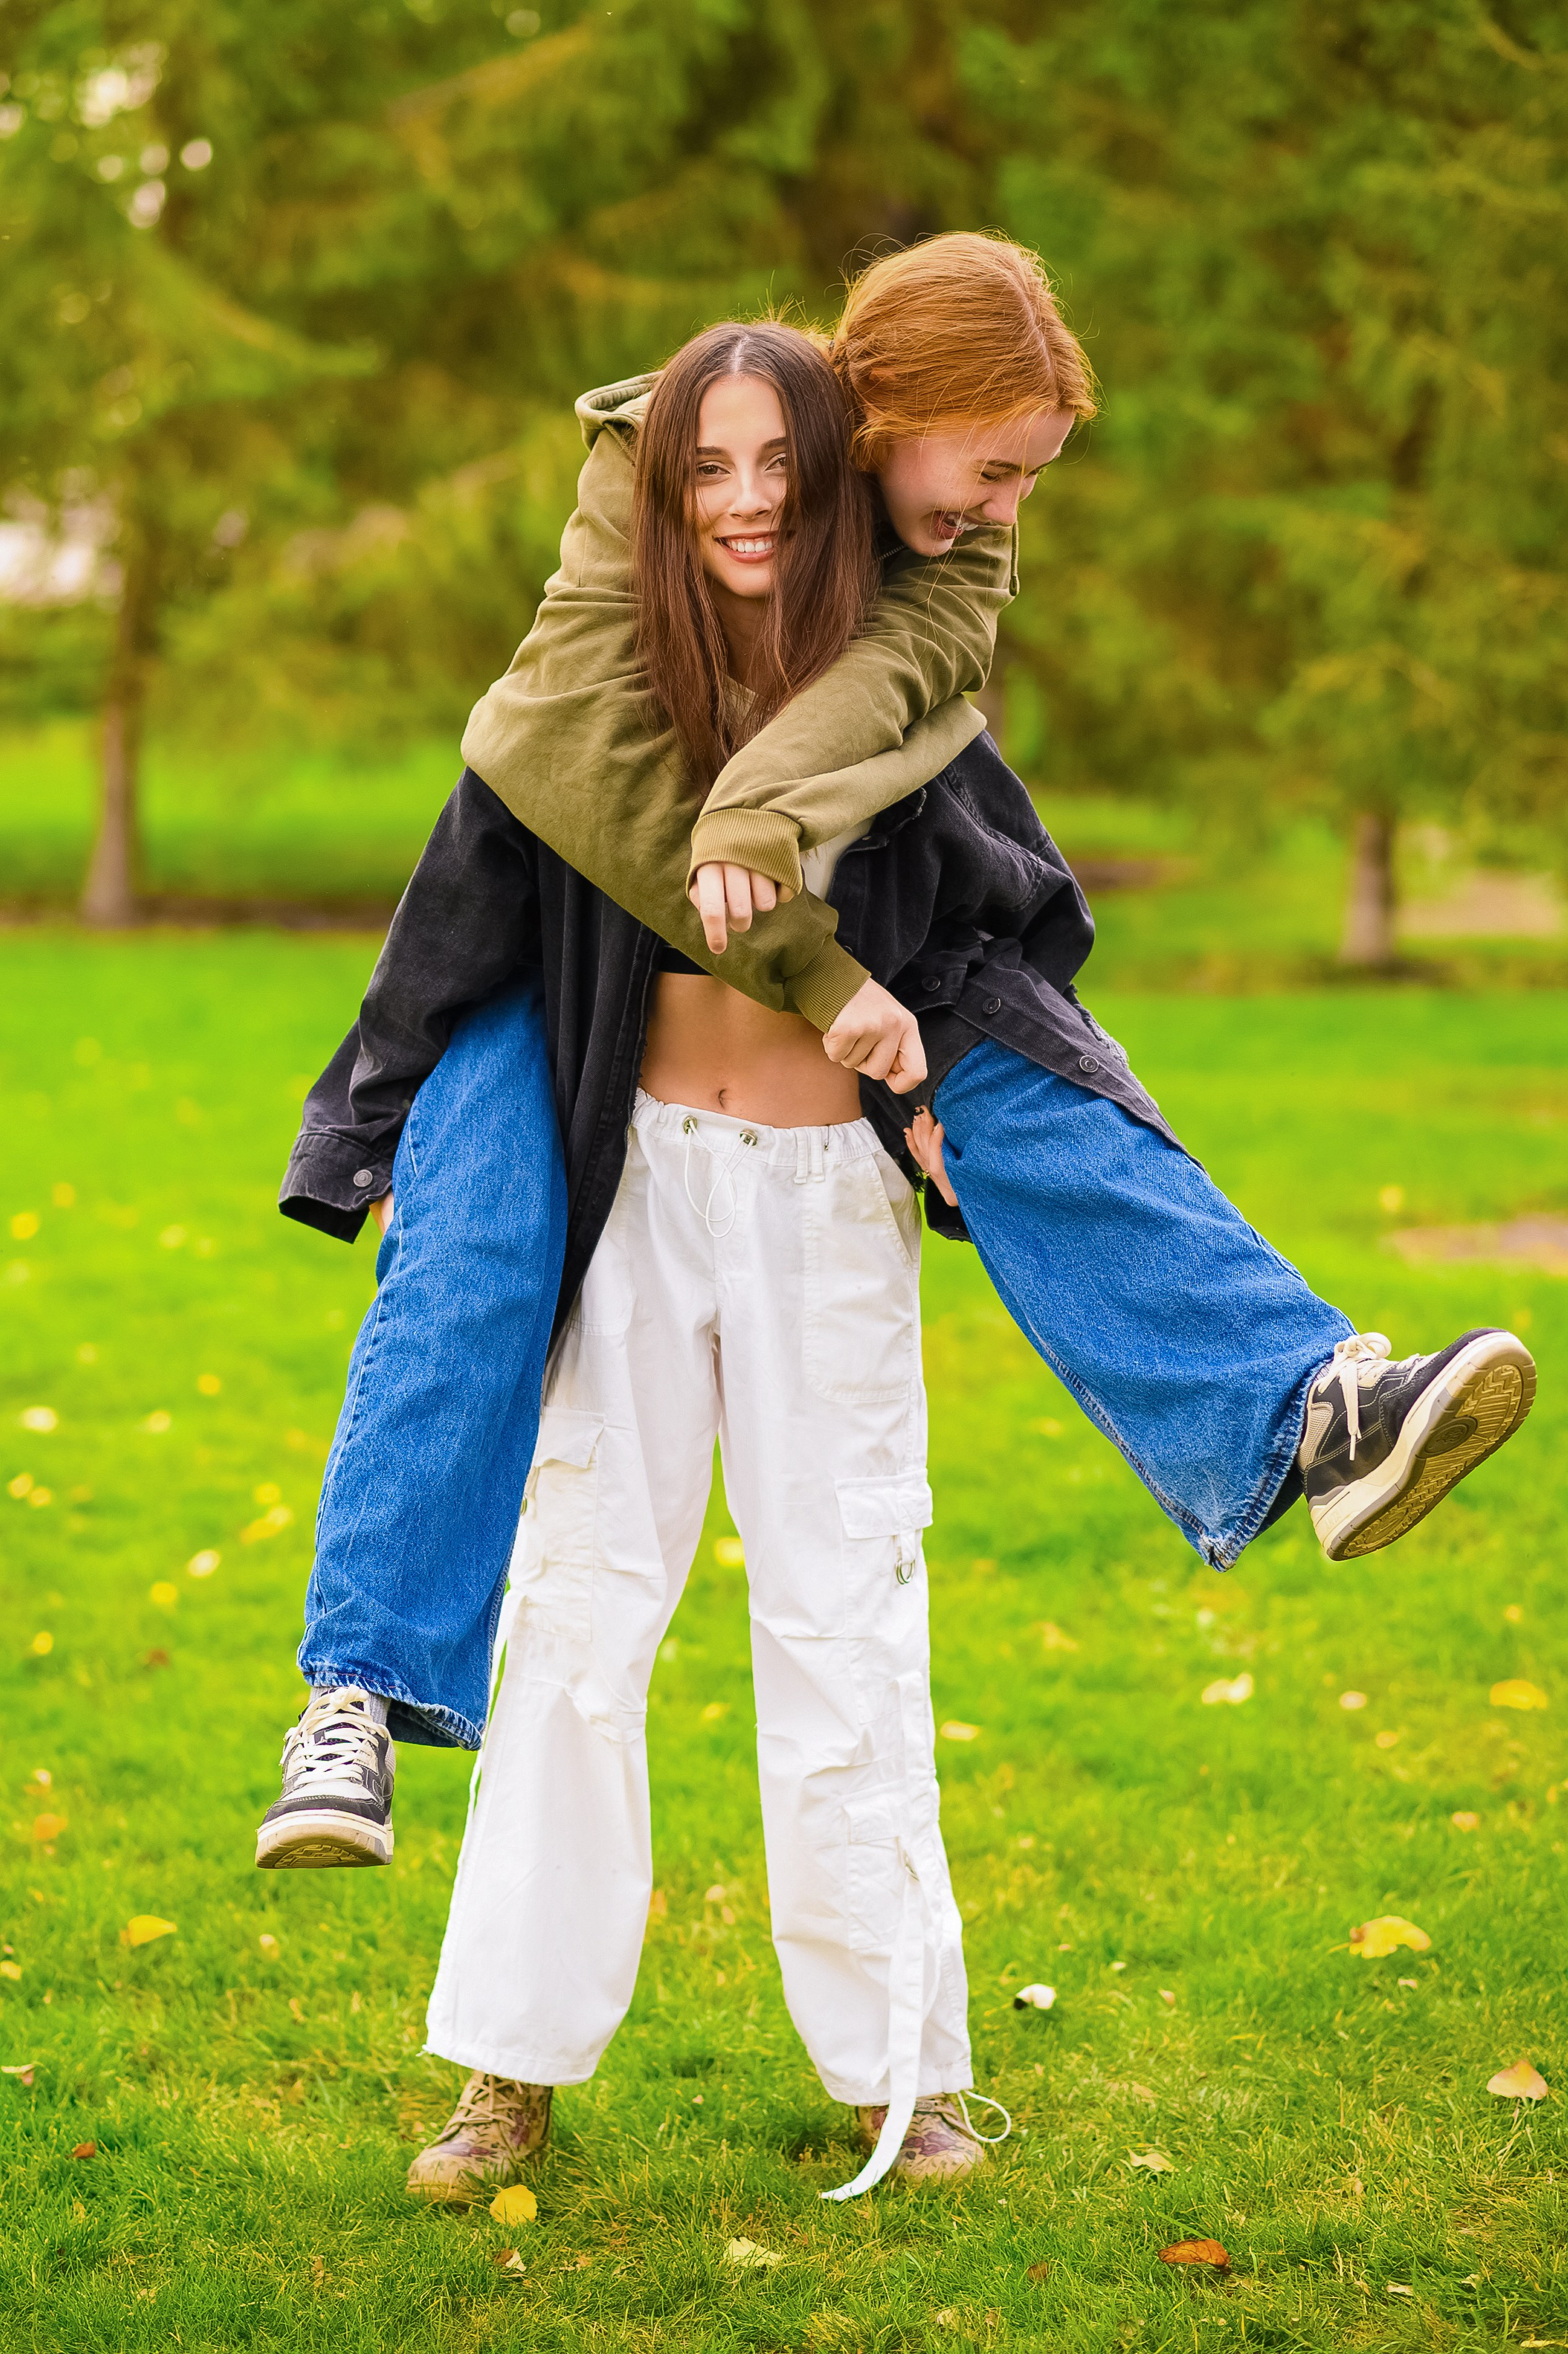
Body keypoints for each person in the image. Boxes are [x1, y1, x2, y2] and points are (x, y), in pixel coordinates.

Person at [261, 234, 1536, 1883]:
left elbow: (900, 679)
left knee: (1034, 1097)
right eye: (994, 463)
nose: (1010, 505)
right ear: (886, 409)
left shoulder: (951, 551)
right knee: (478, 1244)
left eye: (1033, 476)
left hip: (879, 902)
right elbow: (555, 744)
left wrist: (773, 847)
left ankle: (1306, 1407)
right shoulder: (662, 450)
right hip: (556, 937)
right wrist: (803, 963)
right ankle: (354, 1693)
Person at [398, 323, 1007, 2199]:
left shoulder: (894, 664)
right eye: (705, 469)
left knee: (847, 1619)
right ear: (663, 488)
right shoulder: (615, 654)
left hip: (828, 1195)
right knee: (578, 1612)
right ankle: (505, 2069)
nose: (744, 501)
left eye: (776, 467)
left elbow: (987, 911)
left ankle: (905, 2074)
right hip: (640, 1179)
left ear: (833, 475)